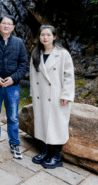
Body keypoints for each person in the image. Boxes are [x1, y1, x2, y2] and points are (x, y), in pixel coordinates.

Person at [0, 15, 28, 159]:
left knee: (13, 117)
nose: (6, 26)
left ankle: (14, 143)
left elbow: (23, 63)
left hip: (12, 86)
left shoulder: (19, 43)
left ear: (13, 27)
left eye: (9, 24)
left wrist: (13, 78)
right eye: (4, 23)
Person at [30, 25, 75, 169]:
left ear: (54, 37)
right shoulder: (35, 53)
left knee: (57, 125)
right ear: (39, 37)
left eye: (48, 35)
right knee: (43, 123)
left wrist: (67, 95)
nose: (45, 37)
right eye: (43, 35)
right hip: (40, 95)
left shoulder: (62, 54)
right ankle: (45, 152)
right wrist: (33, 94)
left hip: (57, 95)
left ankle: (56, 157)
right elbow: (32, 76)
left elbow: (69, 76)